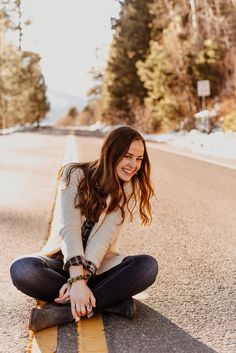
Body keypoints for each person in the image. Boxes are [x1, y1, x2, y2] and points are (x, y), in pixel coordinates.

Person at [10, 126, 158, 332]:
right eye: (128, 156)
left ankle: (62, 312)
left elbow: (104, 238)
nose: (134, 165)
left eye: (139, 159)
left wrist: (82, 280)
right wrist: (75, 278)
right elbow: (69, 228)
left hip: (98, 267)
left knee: (147, 267)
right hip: (62, 263)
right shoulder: (74, 175)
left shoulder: (127, 187)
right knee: (22, 269)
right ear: (111, 153)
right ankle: (111, 302)